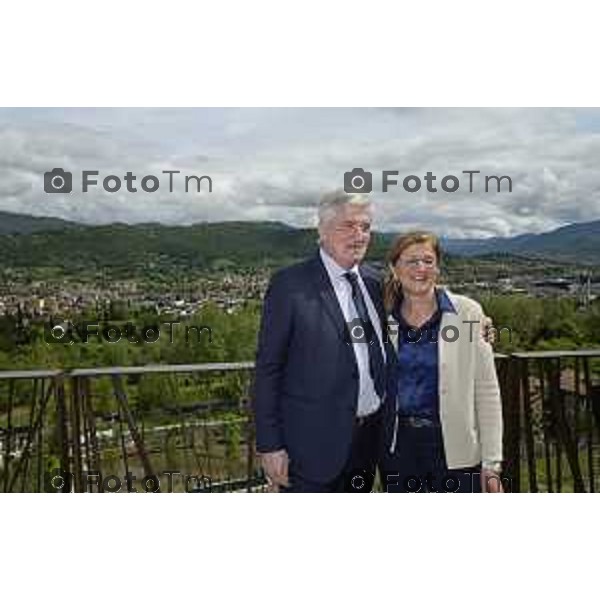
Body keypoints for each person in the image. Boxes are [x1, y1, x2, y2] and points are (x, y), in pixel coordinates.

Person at [253, 190, 394, 492]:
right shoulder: (289, 285)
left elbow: (420, 304)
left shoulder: (373, 281)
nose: (359, 235)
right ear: (322, 230)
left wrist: (473, 322)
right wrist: (270, 445)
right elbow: (268, 369)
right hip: (310, 451)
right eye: (348, 225)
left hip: (367, 445)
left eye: (365, 227)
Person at [380, 231, 504, 493]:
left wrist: (492, 462)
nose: (420, 269)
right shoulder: (383, 318)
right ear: (394, 267)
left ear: (437, 267)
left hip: (456, 448)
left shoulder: (467, 312)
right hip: (398, 449)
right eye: (411, 261)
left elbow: (486, 389)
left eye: (428, 261)